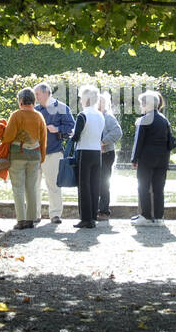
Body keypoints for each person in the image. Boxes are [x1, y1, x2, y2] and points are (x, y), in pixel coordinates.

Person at [3, 88, 48, 229]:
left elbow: (8, 137)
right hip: (35, 156)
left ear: (21, 101)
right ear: (34, 101)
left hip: (18, 155)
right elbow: (43, 139)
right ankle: (31, 220)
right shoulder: (39, 116)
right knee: (32, 188)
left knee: (18, 188)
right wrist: (42, 157)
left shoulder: (16, 115)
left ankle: (21, 220)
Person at [130, 91, 174, 225]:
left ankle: (146, 216)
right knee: (158, 188)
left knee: (143, 186)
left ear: (145, 104)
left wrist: (134, 158)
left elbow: (139, 142)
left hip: (146, 158)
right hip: (162, 158)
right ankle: (159, 217)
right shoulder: (164, 119)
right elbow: (169, 141)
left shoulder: (144, 119)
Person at [34, 82, 75, 224]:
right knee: (34, 186)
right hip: (35, 153)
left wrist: (57, 129)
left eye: (37, 94)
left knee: (54, 186)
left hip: (53, 152)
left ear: (46, 93)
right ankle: (34, 215)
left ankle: (55, 215)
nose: (36, 97)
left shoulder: (62, 108)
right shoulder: (35, 109)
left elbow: (72, 128)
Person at [69, 85, 104, 228]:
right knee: (95, 184)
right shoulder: (100, 115)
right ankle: (93, 216)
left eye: (81, 97)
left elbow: (76, 136)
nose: (80, 100)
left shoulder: (83, 115)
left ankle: (85, 218)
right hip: (97, 152)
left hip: (84, 151)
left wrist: (71, 135)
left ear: (86, 99)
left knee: (84, 185)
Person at [96, 92, 123, 220]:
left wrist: (103, 142)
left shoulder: (109, 117)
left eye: (100, 102)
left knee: (104, 182)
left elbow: (118, 132)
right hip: (96, 153)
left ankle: (104, 211)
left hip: (106, 153)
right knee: (96, 181)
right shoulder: (94, 116)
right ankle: (96, 208)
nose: (98, 104)